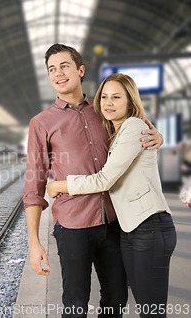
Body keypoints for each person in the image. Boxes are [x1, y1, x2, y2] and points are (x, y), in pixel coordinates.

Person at [23, 44, 163, 318]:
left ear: (80, 70)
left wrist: (157, 137)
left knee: (116, 299)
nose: (58, 73)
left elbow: (138, 126)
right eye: (52, 69)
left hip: (114, 223)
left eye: (65, 65)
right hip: (73, 227)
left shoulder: (104, 109)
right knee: (75, 305)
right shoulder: (41, 123)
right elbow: (34, 187)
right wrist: (34, 243)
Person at [46, 73, 176, 317]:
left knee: (152, 311)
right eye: (104, 97)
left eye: (116, 97)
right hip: (131, 229)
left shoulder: (134, 126)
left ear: (130, 101)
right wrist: (160, 137)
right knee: (144, 306)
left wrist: (59, 186)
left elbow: (105, 179)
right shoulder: (118, 130)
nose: (108, 103)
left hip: (150, 227)